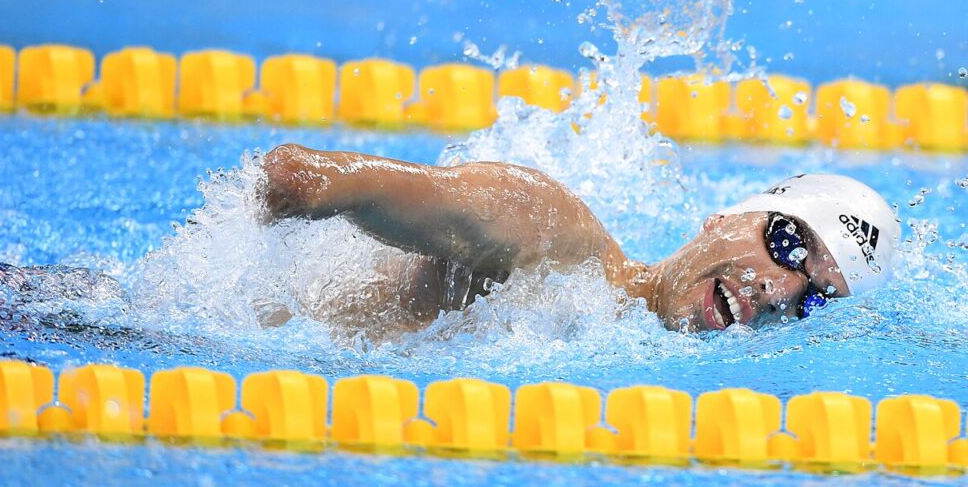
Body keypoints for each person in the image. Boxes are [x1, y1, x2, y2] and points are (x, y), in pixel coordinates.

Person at [261, 143, 900, 332]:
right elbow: (301, 178)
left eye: (813, 295)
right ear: (726, 218)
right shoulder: (552, 234)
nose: (778, 288)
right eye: (790, 246)